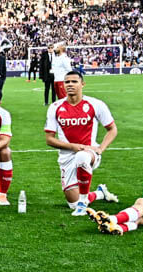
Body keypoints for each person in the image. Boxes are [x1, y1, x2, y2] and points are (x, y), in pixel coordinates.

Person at [44, 71, 120, 216]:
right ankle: (99, 193)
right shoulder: (55, 107)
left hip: (89, 153)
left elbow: (112, 129)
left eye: (74, 81)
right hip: (66, 156)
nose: (70, 84)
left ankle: (82, 204)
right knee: (72, 202)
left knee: (82, 157)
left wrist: (100, 149)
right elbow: (49, 139)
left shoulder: (96, 104)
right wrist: (73, 147)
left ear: (82, 84)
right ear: (63, 85)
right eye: (67, 82)